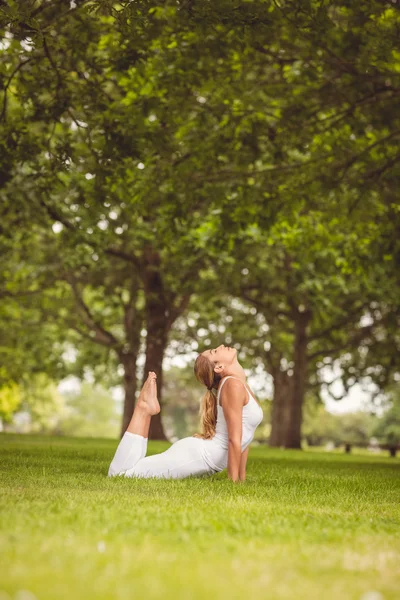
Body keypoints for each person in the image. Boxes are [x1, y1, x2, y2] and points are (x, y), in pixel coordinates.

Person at [107, 344, 263, 482]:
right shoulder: (232, 385)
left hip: (201, 454)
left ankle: (146, 409)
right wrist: (233, 482)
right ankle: (143, 408)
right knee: (119, 476)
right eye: (215, 351)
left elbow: (245, 438)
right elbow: (234, 439)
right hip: (197, 457)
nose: (222, 345)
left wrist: (241, 479)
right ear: (219, 367)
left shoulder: (239, 384)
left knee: (127, 472)